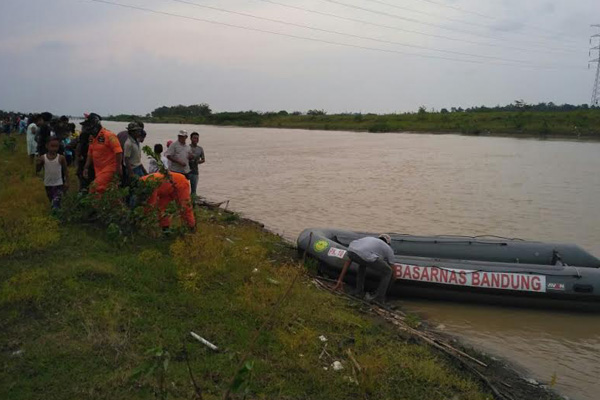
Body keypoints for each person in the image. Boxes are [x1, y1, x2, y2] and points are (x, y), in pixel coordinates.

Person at [333, 234, 396, 303]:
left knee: (362, 264)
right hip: (364, 255)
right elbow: (393, 269)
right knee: (388, 271)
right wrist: (393, 280)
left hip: (351, 251)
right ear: (388, 243)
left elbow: (348, 262)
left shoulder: (369, 239)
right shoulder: (388, 248)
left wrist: (340, 280)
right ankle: (379, 298)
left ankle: (358, 291)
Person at [82, 113, 123, 193]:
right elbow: (90, 153)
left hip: (110, 168)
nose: (86, 128)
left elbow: (118, 152)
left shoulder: (109, 136)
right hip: (99, 170)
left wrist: (118, 168)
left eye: (88, 125)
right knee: (109, 191)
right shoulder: (91, 137)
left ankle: (95, 205)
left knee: (93, 188)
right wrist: (86, 167)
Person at [36, 137, 68, 210]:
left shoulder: (61, 158)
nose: (54, 148)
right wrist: (38, 164)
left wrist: (67, 182)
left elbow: (65, 170)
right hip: (48, 184)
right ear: (47, 146)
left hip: (58, 184)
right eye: (52, 146)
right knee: (52, 200)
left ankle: (56, 215)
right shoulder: (43, 158)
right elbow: (38, 170)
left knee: (56, 202)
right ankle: (57, 215)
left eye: (56, 146)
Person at [188, 131, 205, 197]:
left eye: (197, 138)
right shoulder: (187, 147)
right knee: (184, 188)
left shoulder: (200, 149)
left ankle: (193, 204)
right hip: (186, 171)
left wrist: (197, 162)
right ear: (191, 139)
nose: (196, 139)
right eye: (194, 138)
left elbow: (203, 160)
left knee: (194, 190)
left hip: (195, 171)